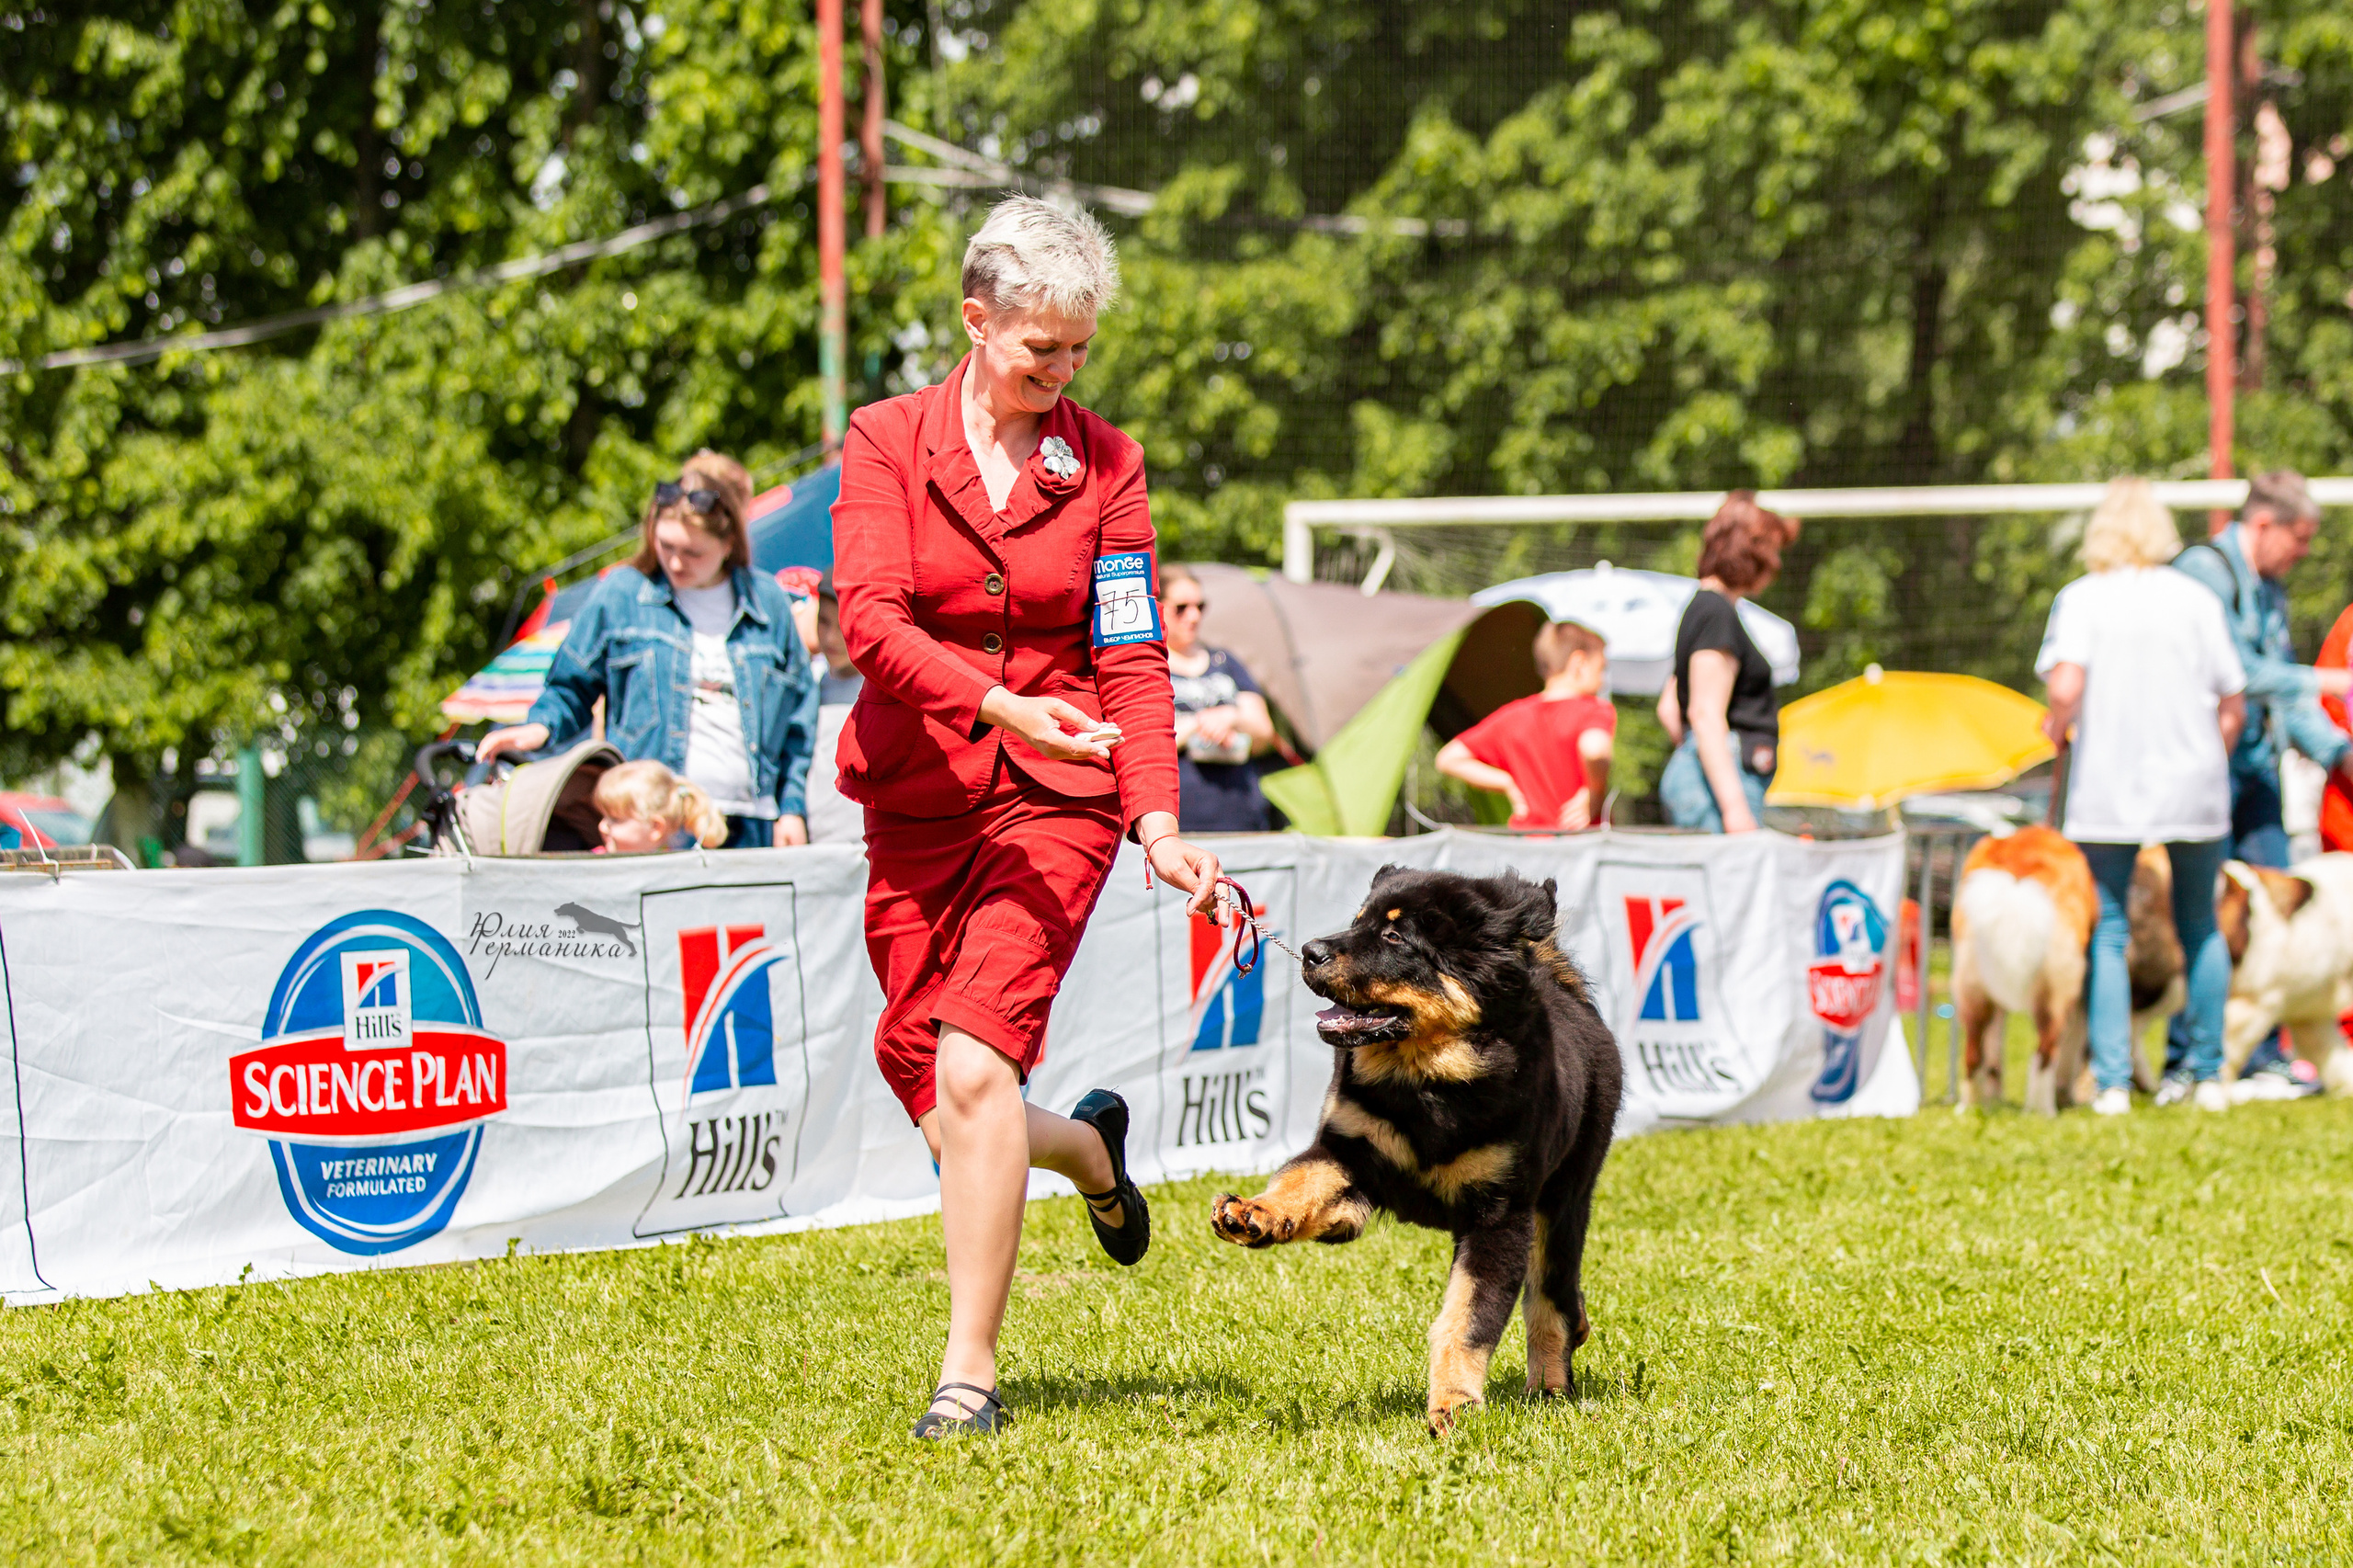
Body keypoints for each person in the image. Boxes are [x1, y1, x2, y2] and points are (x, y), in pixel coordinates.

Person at [830, 196, 1224, 1440]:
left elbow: (1132, 657)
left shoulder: (1107, 461)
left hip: (1059, 802)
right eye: (1037, 350)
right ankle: (1092, 1153)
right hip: (917, 793)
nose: (1060, 376)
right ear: (975, 320)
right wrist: (1000, 701)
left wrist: (1156, 820)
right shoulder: (884, 440)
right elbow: (872, 624)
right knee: (934, 1081)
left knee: (974, 1063)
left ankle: (968, 1373)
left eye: (1078, 354)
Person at [476, 450, 819, 848]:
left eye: (693, 553)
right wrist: (540, 727)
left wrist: (791, 807)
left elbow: (798, 713)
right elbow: (571, 686)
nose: (675, 563)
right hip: (651, 821)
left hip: (749, 823)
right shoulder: (622, 593)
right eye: (665, 545)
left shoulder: (768, 602)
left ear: (729, 544)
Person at [2038, 478, 2246, 1116]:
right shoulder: (2196, 600)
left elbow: (2066, 684)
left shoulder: (2082, 599)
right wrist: (2214, 757)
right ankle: (2208, 1076)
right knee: (2200, 924)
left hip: (2110, 786)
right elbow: (2233, 701)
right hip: (2194, 784)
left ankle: (2110, 1084)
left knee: (2108, 931)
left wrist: (2056, 722)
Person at [2165, 470, 2347, 1100]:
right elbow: (2237, 671)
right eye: (2298, 538)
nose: (2303, 553)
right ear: (2263, 523)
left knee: (2288, 903)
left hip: (2255, 768)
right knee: (2200, 911)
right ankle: (2185, 1058)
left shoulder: (2272, 591)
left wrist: (2337, 752)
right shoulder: (2201, 572)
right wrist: (2324, 683)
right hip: (2202, 770)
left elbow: (2284, 696)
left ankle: (2266, 1055)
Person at [1655, 493, 1801, 832]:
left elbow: (1668, 707)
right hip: (1718, 790)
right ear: (1753, 553)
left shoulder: (1702, 610)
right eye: (1773, 551)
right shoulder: (1715, 613)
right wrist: (1734, 808)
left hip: (1703, 781)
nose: (1776, 565)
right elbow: (1704, 715)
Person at [1435, 620, 1616, 830]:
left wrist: (1507, 783)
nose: (1602, 681)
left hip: (1525, 845)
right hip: (1579, 843)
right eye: (1601, 669)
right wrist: (1595, 790)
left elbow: (1447, 759)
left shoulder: (1511, 716)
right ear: (1579, 663)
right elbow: (1595, 750)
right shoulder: (1595, 709)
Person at [1160, 562, 1277, 833]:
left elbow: (1263, 730)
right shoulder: (1150, 666)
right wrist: (1200, 725)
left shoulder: (1224, 661)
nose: (1193, 616)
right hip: (1179, 823)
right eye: (1181, 608)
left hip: (1242, 815)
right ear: (1158, 607)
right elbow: (1139, 739)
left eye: (1200, 607)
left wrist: (1230, 717)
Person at [592, 758, 727, 853]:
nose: (602, 826)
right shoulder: (595, 864)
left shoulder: (675, 872)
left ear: (656, 827)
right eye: (604, 816)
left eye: (615, 820)